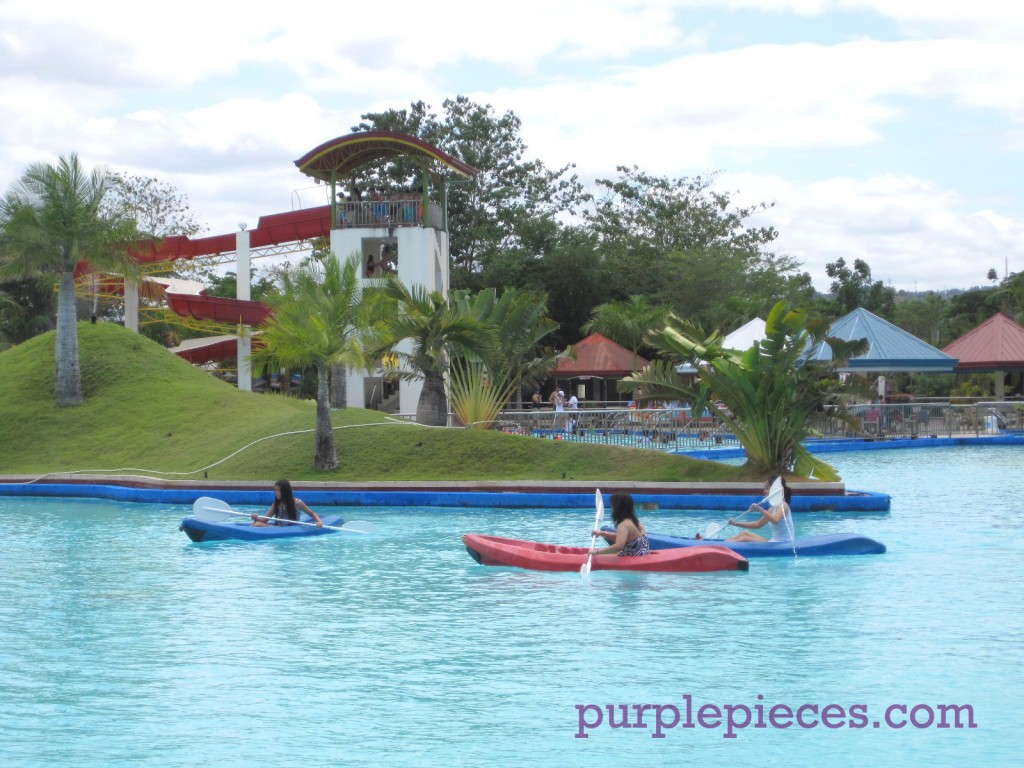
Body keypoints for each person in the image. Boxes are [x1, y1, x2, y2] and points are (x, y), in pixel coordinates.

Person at [727, 477, 793, 543]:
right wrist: (735, 523)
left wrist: (760, 509)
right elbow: (758, 524)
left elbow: (776, 520)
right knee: (744, 533)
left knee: (745, 538)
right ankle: (723, 544)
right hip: (774, 541)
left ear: (775, 490)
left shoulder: (783, 505)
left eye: (767, 488)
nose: (764, 491)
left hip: (783, 543)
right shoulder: (772, 509)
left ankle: (723, 546)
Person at [251, 479, 323, 527]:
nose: (276, 493)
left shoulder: (298, 503)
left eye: (278, 490)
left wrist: (319, 522)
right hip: (279, 528)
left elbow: (312, 514)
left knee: (257, 525)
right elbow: (265, 520)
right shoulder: (276, 504)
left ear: (285, 491)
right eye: (275, 490)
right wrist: (255, 517)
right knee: (255, 523)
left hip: (293, 528)